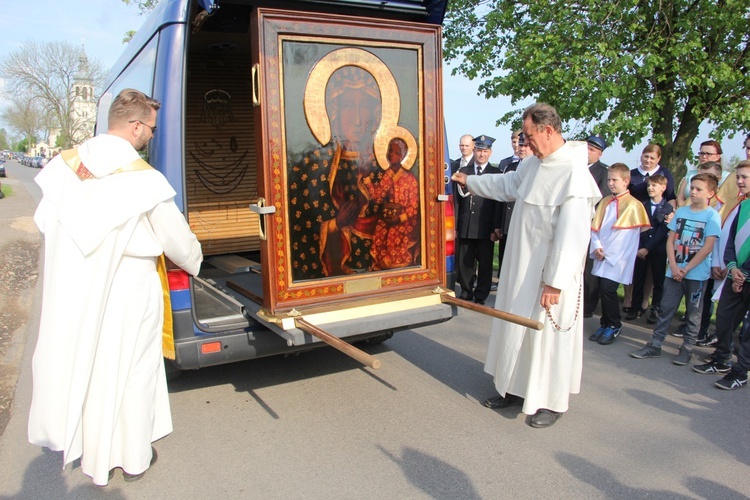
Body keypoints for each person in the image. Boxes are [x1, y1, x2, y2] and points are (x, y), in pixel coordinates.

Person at [28, 89, 203, 486]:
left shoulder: (64, 167)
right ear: (137, 126)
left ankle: (97, 454)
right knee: (134, 370)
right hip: (130, 286)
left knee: (91, 365)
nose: (152, 137)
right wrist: (196, 261)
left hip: (78, 284)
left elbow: (45, 221)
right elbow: (177, 240)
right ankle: (134, 456)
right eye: (152, 129)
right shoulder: (143, 179)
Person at [452, 103, 601, 428]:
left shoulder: (574, 173)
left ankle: (551, 401)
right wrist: (469, 181)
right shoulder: (534, 163)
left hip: (550, 276)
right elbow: (506, 185)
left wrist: (555, 282)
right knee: (516, 325)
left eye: (529, 136)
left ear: (548, 131)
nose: (525, 143)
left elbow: (573, 237)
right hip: (521, 267)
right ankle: (515, 389)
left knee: (548, 337)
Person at [288, 66, 385, 280]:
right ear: (334, 111)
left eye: (365, 106)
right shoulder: (310, 165)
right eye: (349, 106)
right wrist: (334, 224)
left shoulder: (383, 165)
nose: (358, 119)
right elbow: (298, 228)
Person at [630, 173, 720, 366]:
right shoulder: (681, 212)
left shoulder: (712, 216)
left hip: (695, 274)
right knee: (666, 308)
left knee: (693, 312)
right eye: (692, 188)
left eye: (698, 189)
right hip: (674, 271)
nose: (693, 192)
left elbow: (707, 247)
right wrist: (673, 265)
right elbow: (671, 240)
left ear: (710, 193)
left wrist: (686, 268)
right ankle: (655, 344)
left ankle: (687, 348)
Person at [693, 161, 750, 389]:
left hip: (746, 275)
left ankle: (741, 371)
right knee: (724, 320)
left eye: (745, 177)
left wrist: (743, 272)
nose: (739, 181)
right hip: (736, 273)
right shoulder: (742, 206)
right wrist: (733, 266)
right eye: (738, 176)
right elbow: (731, 242)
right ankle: (722, 358)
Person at [589, 163, 650, 345]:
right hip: (602, 253)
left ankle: (614, 324)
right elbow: (595, 228)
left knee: (609, 289)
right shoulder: (606, 201)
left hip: (618, 257)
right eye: (609, 179)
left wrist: (608, 253)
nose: (611, 183)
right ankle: (605, 322)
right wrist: (597, 246)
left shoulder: (633, 205)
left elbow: (626, 237)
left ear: (626, 181)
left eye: (614, 180)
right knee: (602, 288)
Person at [455, 135, 502, 305]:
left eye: (485, 151)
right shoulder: (464, 172)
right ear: (474, 151)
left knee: (485, 263)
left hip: (485, 226)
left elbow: (498, 203)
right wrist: (455, 225)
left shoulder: (496, 173)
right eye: (479, 150)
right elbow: (457, 202)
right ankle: (466, 291)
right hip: (466, 224)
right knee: (465, 261)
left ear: (490, 153)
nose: (481, 154)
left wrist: (496, 227)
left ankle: (481, 294)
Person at [362, 137, 419, 269]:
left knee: (395, 235)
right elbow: (377, 197)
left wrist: (399, 218)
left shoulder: (409, 178)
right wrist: (366, 178)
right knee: (380, 231)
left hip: (405, 220)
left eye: (396, 152)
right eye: (390, 151)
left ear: (402, 156)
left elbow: (414, 206)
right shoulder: (387, 175)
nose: (391, 154)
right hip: (389, 217)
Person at [627, 174, 673, 323]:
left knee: (658, 280)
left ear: (663, 188)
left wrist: (648, 247)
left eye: (654, 186)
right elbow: (640, 226)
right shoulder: (642, 204)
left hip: (658, 249)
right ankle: (635, 307)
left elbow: (662, 230)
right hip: (641, 246)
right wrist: (642, 247)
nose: (650, 188)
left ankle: (655, 308)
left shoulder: (668, 207)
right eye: (648, 185)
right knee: (638, 277)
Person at [583, 135, 611, 318]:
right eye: (586, 147)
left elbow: (602, 202)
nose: (587, 152)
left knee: (588, 270)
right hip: (573, 225)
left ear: (599, 154)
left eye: (592, 150)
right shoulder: (575, 167)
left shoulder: (603, 172)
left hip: (590, 225)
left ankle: (587, 306)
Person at [676, 140, 725, 207]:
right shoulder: (690, 174)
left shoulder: (726, 176)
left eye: (708, 154)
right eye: (702, 153)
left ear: (717, 157)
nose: (704, 156)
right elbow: (680, 197)